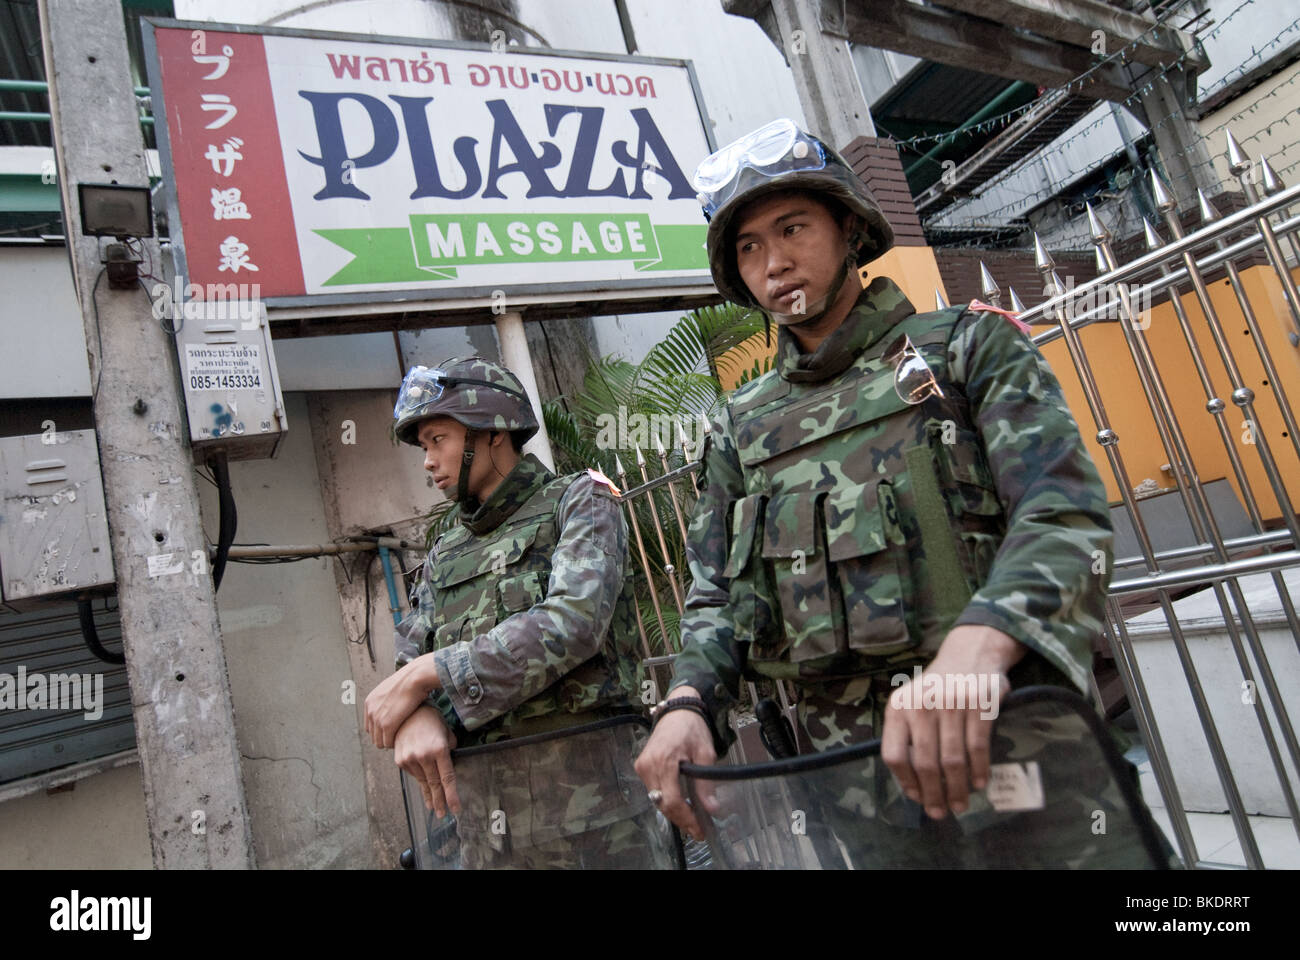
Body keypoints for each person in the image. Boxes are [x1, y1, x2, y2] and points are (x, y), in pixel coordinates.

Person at [634, 119, 1127, 866]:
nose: (775, 262)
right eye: (750, 248)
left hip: (1026, 761)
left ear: (849, 228)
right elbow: (715, 597)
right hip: (864, 803)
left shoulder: (967, 349)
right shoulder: (740, 429)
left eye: (792, 228)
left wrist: (976, 648)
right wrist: (686, 702)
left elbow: (1064, 516)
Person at [364, 357, 657, 868]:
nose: (428, 461)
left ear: (494, 432)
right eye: (425, 446)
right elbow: (410, 648)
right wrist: (422, 712)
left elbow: (575, 622)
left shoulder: (579, 500)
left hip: (597, 823)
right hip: (485, 830)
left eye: (438, 440)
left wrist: (431, 675)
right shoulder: (446, 550)